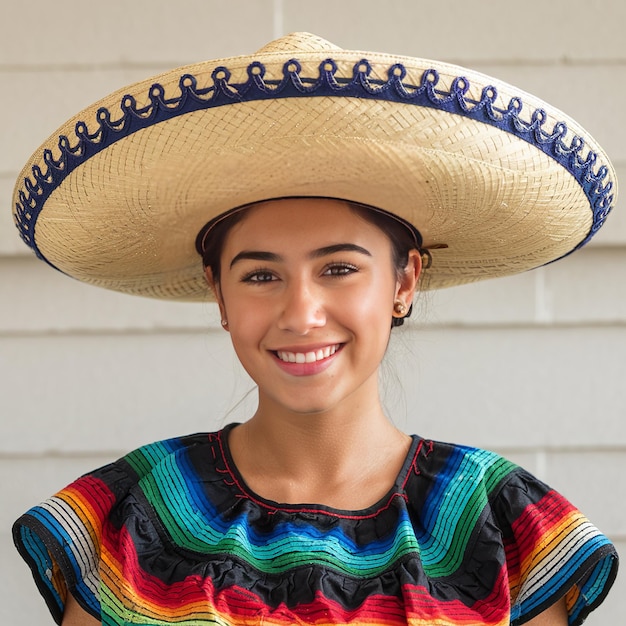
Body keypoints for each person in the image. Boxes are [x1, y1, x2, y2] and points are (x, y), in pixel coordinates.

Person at [11, 32, 618, 626]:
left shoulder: (501, 525)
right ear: (216, 291)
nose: (301, 314)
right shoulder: (136, 518)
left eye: (338, 268)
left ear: (404, 282)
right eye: (259, 276)